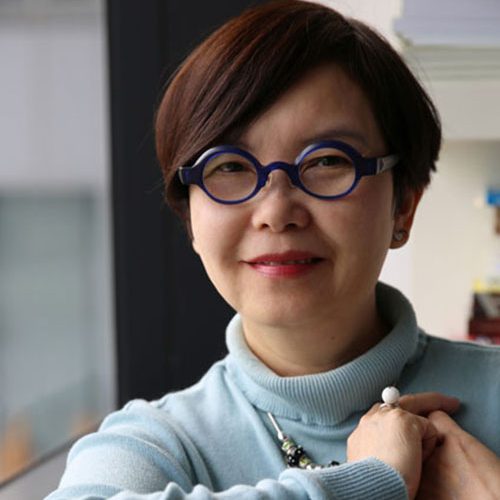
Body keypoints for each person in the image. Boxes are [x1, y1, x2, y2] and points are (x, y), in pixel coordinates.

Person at [46, 1, 500, 499]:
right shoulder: (157, 442)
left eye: (327, 161)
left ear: (403, 207)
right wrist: (369, 483)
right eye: (229, 167)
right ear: (191, 219)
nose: (276, 211)